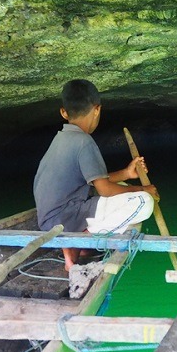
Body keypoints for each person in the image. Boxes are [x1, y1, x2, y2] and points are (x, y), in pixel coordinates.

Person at [33, 79, 157, 270]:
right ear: (97, 109)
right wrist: (144, 189)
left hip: (48, 220)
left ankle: (79, 241)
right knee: (144, 202)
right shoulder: (84, 141)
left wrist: (126, 173)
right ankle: (81, 242)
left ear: (64, 112)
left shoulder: (61, 138)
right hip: (65, 219)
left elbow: (92, 181)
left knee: (123, 189)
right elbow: (105, 189)